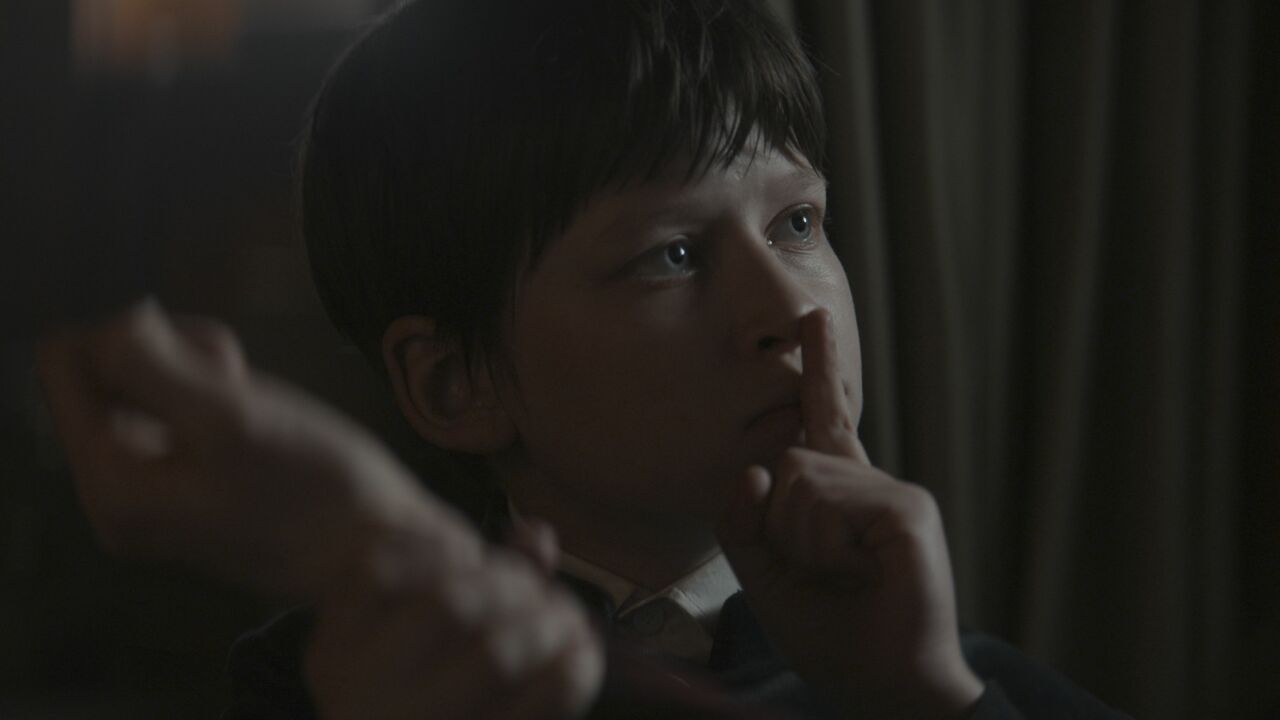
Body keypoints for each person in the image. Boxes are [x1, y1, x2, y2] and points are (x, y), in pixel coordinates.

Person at [38, 0, 1130, 717]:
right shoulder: (346, 685)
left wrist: (922, 699)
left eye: (797, 224)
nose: (786, 309)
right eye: (672, 254)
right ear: (456, 383)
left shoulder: (948, 670)